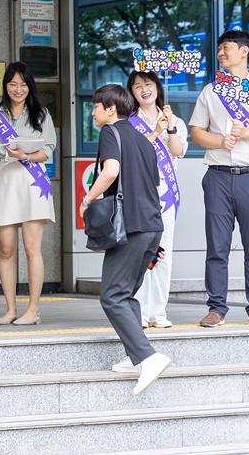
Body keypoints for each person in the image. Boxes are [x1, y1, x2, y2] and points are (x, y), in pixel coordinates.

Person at [190, 30, 249, 328]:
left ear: (244, 51)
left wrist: (247, 133)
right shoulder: (210, 91)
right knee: (216, 246)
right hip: (217, 175)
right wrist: (220, 142)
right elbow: (196, 132)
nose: (221, 52)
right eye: (219, 48)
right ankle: (216, 308)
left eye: (226, 47)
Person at [79, 84, 170, 395]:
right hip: (152, 226)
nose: (92, 112)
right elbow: (153, 183)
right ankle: (136, 357)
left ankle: (148, 357)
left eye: (95, 107)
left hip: (130, 226)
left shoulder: (111, 132)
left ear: (110, 109)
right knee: (127, 293)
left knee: (112, 296)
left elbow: (111, 171)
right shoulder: (145, 141)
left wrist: (88, 198)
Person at [0, 62, 56, 326]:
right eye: (13, 84)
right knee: (6, 249)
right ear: (5, 86)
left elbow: (49, 150)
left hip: (34, 182)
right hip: (6, 181)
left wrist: (26, 155)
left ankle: (33, 310)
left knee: (32, 248)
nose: (18, 89)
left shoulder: (41, 114)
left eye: (23, 84)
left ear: (30, 86)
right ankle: (10, 308)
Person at [125, 71, 188, 329]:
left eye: (148, 84)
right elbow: (134, 156)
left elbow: (177, 151)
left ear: (157, 87)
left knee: (163, 255)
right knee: (141, 254)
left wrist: (169, 126)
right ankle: (138, 311)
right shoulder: (129, 123)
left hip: (166, 197)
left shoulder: (175, 120)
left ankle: (158, 312)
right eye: (137, 86)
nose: (143, 89)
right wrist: (155, 130)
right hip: (140, 197)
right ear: (131, 91)